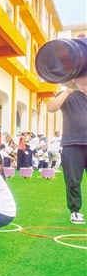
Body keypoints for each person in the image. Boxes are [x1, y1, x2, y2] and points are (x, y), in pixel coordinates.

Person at [48, 81, 87, 224]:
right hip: (72, 144)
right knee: (73, 180)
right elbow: (51, 108)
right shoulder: (69, 93)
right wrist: (67, 91)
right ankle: (75, 211)